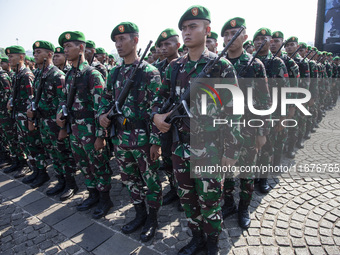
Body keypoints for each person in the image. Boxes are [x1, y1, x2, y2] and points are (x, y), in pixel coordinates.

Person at [152, 6, 243, 254]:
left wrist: (232, 149)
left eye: (193, 26)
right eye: (183, 28)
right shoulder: (174, 67)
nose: (186, 32)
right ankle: (197, 238)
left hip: (210, 148)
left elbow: (234, 111)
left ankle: (212, 243)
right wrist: (156, 116)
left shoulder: (220, 66)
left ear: (207, 30)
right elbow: (160, 100)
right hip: (180, 146)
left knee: (211, 202)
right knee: (188, 201)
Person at [99, 22, 162, 242]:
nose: (118, 44)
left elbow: (157, 108)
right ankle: (140, 214)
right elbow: (105, 99)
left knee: (151, 180)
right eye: (115, 40)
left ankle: (152, 219)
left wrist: (156, 142)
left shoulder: (149, 72)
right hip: (121, 138)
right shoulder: (113, 73)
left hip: (143, 139)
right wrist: (101, 115)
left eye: (122, 39)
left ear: (135, 40)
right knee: (129, 180)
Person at [221, 17, 271, 229]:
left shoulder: (255, 64)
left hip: (249, 130)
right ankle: (229, 204)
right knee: (226, 171)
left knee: (247, 173)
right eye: (226, 34)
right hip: (223, 129)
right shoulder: (218, 64)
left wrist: (262, 132)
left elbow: (264, 101)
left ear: (244, 37)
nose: (230, 38)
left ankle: (243, 209)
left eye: (235, 34)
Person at [56, 31, 112, 219]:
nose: (65, 50)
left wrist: (100, 136)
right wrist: (60, 117)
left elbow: (101, 108)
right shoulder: (69, 74)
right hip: (74, 129)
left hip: (90, 129)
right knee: (84, 165)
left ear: (81, 48)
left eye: (69, 46)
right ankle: (92, 194)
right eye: (64, 47)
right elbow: (63, 101)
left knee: (98, 164)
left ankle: (105, 199)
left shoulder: (92, 74)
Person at [25, 40, 78, 200]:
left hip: (56, 124)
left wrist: (63, 128)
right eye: (34, 53)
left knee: (63, 153)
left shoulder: (57, 75)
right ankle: (61, 180)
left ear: (49, 54)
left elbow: (64, 103)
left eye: (38, 52)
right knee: (53, 154)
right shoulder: (39, 75)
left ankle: (71, 183)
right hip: (43, 122)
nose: (35, 55)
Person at [253, 28, 290, 193]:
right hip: (251, 112)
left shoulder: (277, 63)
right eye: (257, 39)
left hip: (272, 113)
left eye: (264, 38)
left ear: (271, 42)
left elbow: (285, 91)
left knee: (267, 147)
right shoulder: (248, 61)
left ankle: (263, 179)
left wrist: (283, 116)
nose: (260, 42)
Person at [5, 45, 49, 186]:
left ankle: (42, 172)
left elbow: (32, 99)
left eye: (12, 56)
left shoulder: (27, 75)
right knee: (26, 144)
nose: (9, 59)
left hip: (27, 117)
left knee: (34, 145)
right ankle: (35, 170)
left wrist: (31, 119)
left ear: (21, 57)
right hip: (19, 116)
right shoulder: (18, 75)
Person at [154, 28, 182, 208]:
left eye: (167, 44)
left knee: (183, 161)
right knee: (167, 159)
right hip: (164, 124)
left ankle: (183, 192)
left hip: (183, 123)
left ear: (178, 45)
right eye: (161, 45)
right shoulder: (158, 68)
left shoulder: (185, 64)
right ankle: (173, 188)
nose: (163, 48)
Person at [270, 31, 300, 159]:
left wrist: (291, 107)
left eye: (277, 41)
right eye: (272, 40)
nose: (273, 44)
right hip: (267, 103)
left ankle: (288, 151)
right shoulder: (264, 60)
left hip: (283, 103)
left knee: (284, 131)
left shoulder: (289, 63)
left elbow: (293, 87)